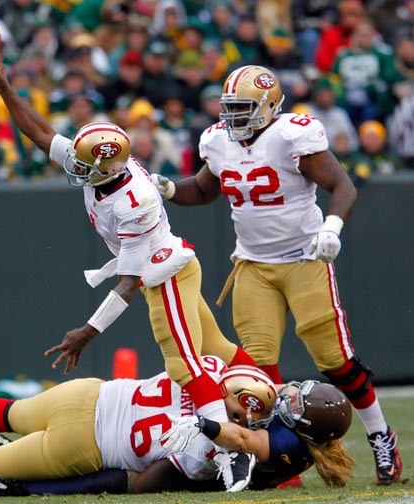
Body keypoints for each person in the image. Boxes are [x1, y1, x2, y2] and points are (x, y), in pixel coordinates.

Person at [0, 45, 256, 424]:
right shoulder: (103, 162)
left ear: (106, 168)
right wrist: (5, 89)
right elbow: (42, 134)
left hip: (165, 275)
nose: (74, 167)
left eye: (83, 165)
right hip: (165, 269)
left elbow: (128, 283)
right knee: (217, 349)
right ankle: (273, 396)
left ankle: (228, 440)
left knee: (184, 366)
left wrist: (87, 333)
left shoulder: (135, 202)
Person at [152, 64, 402, 486]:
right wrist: (172, 190)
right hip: (252, 264)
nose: (233, 116)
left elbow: (343, 186)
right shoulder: (218, 140)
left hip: (305, 259)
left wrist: (332, 227)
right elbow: (205, 188)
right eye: (230, 107)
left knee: (336, 361)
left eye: (243, 107)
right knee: (257, 373)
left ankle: (380, 434)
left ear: (270, 106)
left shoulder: (292, 135)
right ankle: (280, 462)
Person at [0, 356, 267, 493]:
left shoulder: (209, 366)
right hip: (85, 445)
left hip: (89, 394)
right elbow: (147, 482)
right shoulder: (213, 450)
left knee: (10, 413)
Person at [0, 373, 355, 496]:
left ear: (305, 428)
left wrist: (205, 424)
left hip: (210, 469)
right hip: (221, 444)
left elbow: (242, 441)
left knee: (132, 479)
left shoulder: (286, 445)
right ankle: (25, 458)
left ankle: (22, 488)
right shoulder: (304, 429)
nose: (290, 396)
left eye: (299, 404)